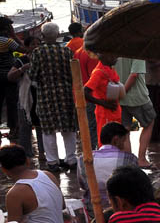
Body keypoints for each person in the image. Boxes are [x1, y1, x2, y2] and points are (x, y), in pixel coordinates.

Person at [29, 23, 78, 173]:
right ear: (57, 35)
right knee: (68, 128)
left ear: (43, 36)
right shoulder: (67, 51)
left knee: (48, 130)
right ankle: (71, 159)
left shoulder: (38, 52)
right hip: (66, 95)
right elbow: (74, 74)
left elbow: (32, 75)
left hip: (46, 96)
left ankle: (53, 162)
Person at [0, 144, 66, 223]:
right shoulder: (47, 174)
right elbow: (62, 206)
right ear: (27, 161)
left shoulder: (14, 193)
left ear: (4, 169)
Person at [78, 122, 138, 208]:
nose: (125, 144)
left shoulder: (83, 159)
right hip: (121, 207)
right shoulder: (129, 158)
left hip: (92, 208)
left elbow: (83, 185)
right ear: (116, 140)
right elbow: (134, 185)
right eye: (124, 140)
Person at [115, 56, 156, 167]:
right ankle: (141, 159)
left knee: (125, 130)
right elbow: (134, 75)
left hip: (119, 97)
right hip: (137, 97)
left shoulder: (115, 50)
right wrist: (123, 92)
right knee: (149, 123)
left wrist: (119, 94)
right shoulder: (136, 52)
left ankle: (128, 162)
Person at [84, 51, 122, 138]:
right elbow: (85, 92)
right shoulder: (98, 72)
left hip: (115, 112)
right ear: (103, 56)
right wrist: (103, 103)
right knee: (107, 143)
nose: (116, 57)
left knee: (117, 142)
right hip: (105, 115)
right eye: (112, 54)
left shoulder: (110, 68)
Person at [146, 59, 160, 142]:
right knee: (154, 109)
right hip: (151, 82)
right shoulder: (149, 50)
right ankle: (153, 135)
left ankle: (157, 134)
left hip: (157, 82)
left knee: (159, 108)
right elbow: (150, 63)